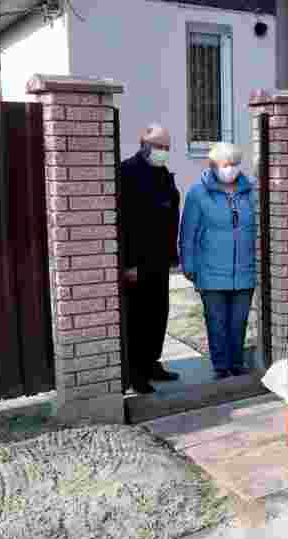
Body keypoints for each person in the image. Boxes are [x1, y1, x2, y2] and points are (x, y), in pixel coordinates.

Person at [179, 143, 256, 380]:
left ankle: (237, 363)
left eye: (235, 164)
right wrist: (189, 266)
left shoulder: (251, 190)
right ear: (213, 166)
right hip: (210, 271)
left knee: (239, 321)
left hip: (244, 271)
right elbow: (188, 234)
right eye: (226, 165)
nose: (231, 169)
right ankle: (221, 366)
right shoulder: (198, 193)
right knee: (217, 322)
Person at [119, 123, 181, 394]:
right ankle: (136, 372)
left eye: (167, 148)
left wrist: (171, 255)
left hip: (159, 259)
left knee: (158, 314)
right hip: (137, 260)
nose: (163, 152)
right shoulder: (127, 172)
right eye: (159, 147)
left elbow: (169, 216)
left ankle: (152, 362)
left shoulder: (163, 173)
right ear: (144, 144)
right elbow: (125, 221)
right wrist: (128, 263)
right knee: (138, 317)